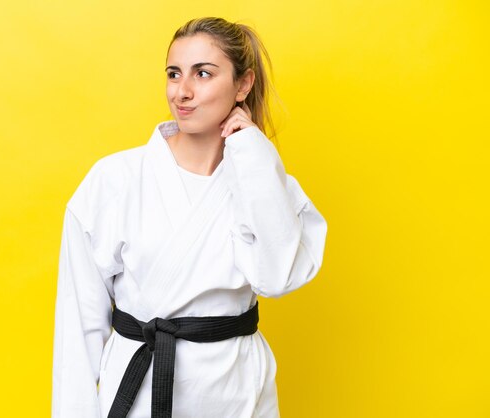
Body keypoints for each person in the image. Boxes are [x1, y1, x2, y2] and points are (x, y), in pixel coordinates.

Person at [52, 17, 328, 418]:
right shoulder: (113, 181)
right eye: (174, 74)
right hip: (139, 390)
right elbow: (77, 330)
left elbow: (277, 277)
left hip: (237, 394)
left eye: (203, 74)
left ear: (243, 84)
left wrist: (253, 155)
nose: (182, 91)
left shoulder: (267, 185)